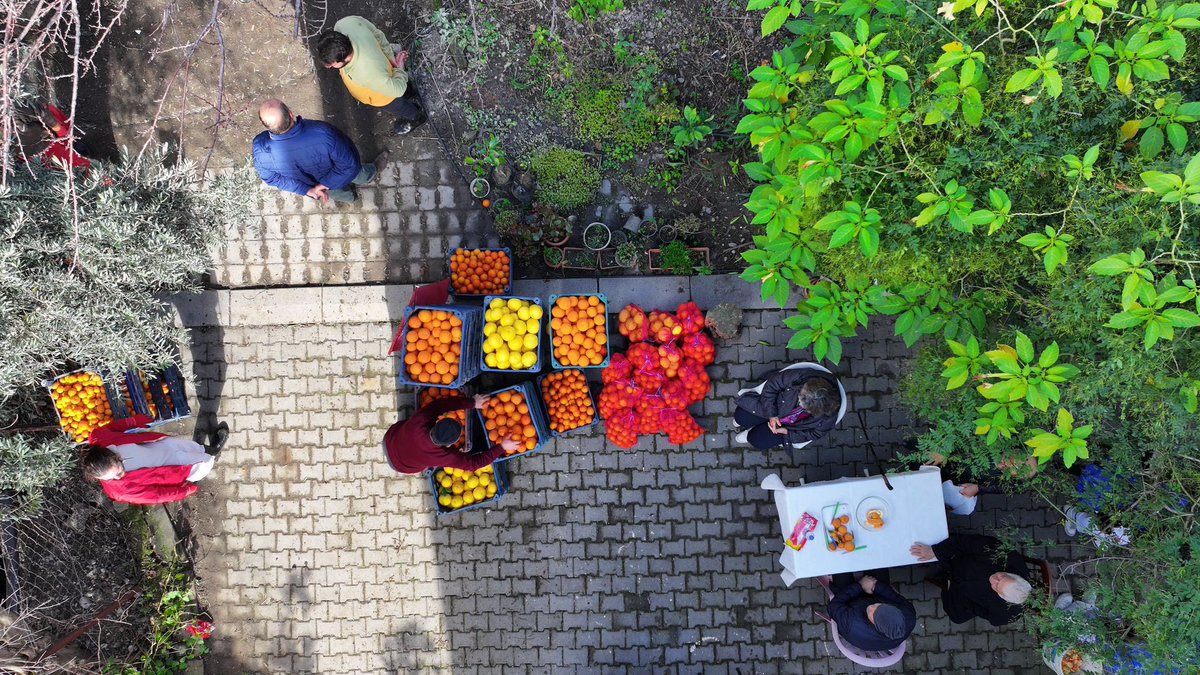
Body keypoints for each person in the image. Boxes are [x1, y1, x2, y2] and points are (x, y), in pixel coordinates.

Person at [251, 99, 389, 204]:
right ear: (291, 114)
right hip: (338, 175)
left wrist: (308, 189)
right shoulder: (322, 132)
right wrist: (325, 184)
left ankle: (351, 199)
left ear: (266, 125)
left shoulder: (259, 149)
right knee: (360, 174)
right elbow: (349, 165)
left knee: (338, 194)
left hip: (317, 186)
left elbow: (272, 178)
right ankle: (371, 173)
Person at [82, 415, 229, 506]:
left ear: (113, 455)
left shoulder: (99, 438)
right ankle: (214, 452)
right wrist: (184, 491)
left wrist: (132, 422)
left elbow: (112, 427)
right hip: (174, 468)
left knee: (190, 447)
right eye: (112, 478)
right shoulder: (121, 491)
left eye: (119, 470)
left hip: (161, 445)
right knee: (202, 462)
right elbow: (156, 496)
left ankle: (206, 450)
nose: (118, 477)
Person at [315, 17, 427, 136]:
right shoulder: (345, 24)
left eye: (332, 64)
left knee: (400, 105)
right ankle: (411, 93)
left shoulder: (367, 73)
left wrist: (400, 68)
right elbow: (377, 34)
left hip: (384, 97)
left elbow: (398, 90)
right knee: (406, 88)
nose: (328, 66)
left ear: (345, 58)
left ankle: (417, 117)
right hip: (385, 73)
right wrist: (391, 58)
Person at [910, 533, 1033, 626]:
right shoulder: (1004, 555)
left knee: (957, 617)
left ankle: (946, 584)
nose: (994, 580)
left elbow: (987, 615)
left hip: (964, 593)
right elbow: (965, 542)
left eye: (996, 587)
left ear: (1003, 597)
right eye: (1002, 577)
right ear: (1011, 575)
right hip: (957, 562)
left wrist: (969, 602)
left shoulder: (1007, 614)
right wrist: (935, 551)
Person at [384, 393, 519, 474]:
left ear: (437, 424)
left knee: (408, 428)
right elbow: (473, 464)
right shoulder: (441, 457)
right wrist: (502, 447)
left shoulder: (421, 420)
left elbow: (441, 405)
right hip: (400, 465)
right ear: (449, 445)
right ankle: (417, 468)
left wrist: (472, 403)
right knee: (421, 466)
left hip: (391, 438)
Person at [732, 368, 840, 449]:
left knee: (756, 440)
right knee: (741, 417)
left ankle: (749, 434)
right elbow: (772, 385)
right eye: (800, 398)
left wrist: (787, 432)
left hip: (790, 427)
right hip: (772, 405)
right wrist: (772, 414)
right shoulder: (800, 376)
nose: (800, 404)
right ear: (806, 386)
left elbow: (815, 434)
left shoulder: (829, 415)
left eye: (805, 408)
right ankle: (745, 425)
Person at [825, 570, 915, 652]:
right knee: (878, 563)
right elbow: (895, 597)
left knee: (841, 569)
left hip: (850, 603)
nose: (872, 607)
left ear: (876, 626)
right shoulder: (909, 616)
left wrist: (859, 586)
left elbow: (834, 606)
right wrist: (875, 586)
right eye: (879, 606)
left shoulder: (851, 624)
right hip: (875, 594)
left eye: (874, 614)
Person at [14, 102, 92, 172]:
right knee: (65, 161)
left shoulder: (11, 114)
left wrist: (59, 130)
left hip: (49, 126)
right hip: (38, 149)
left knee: (66, 134)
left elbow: (40, 112)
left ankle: (73, 144)